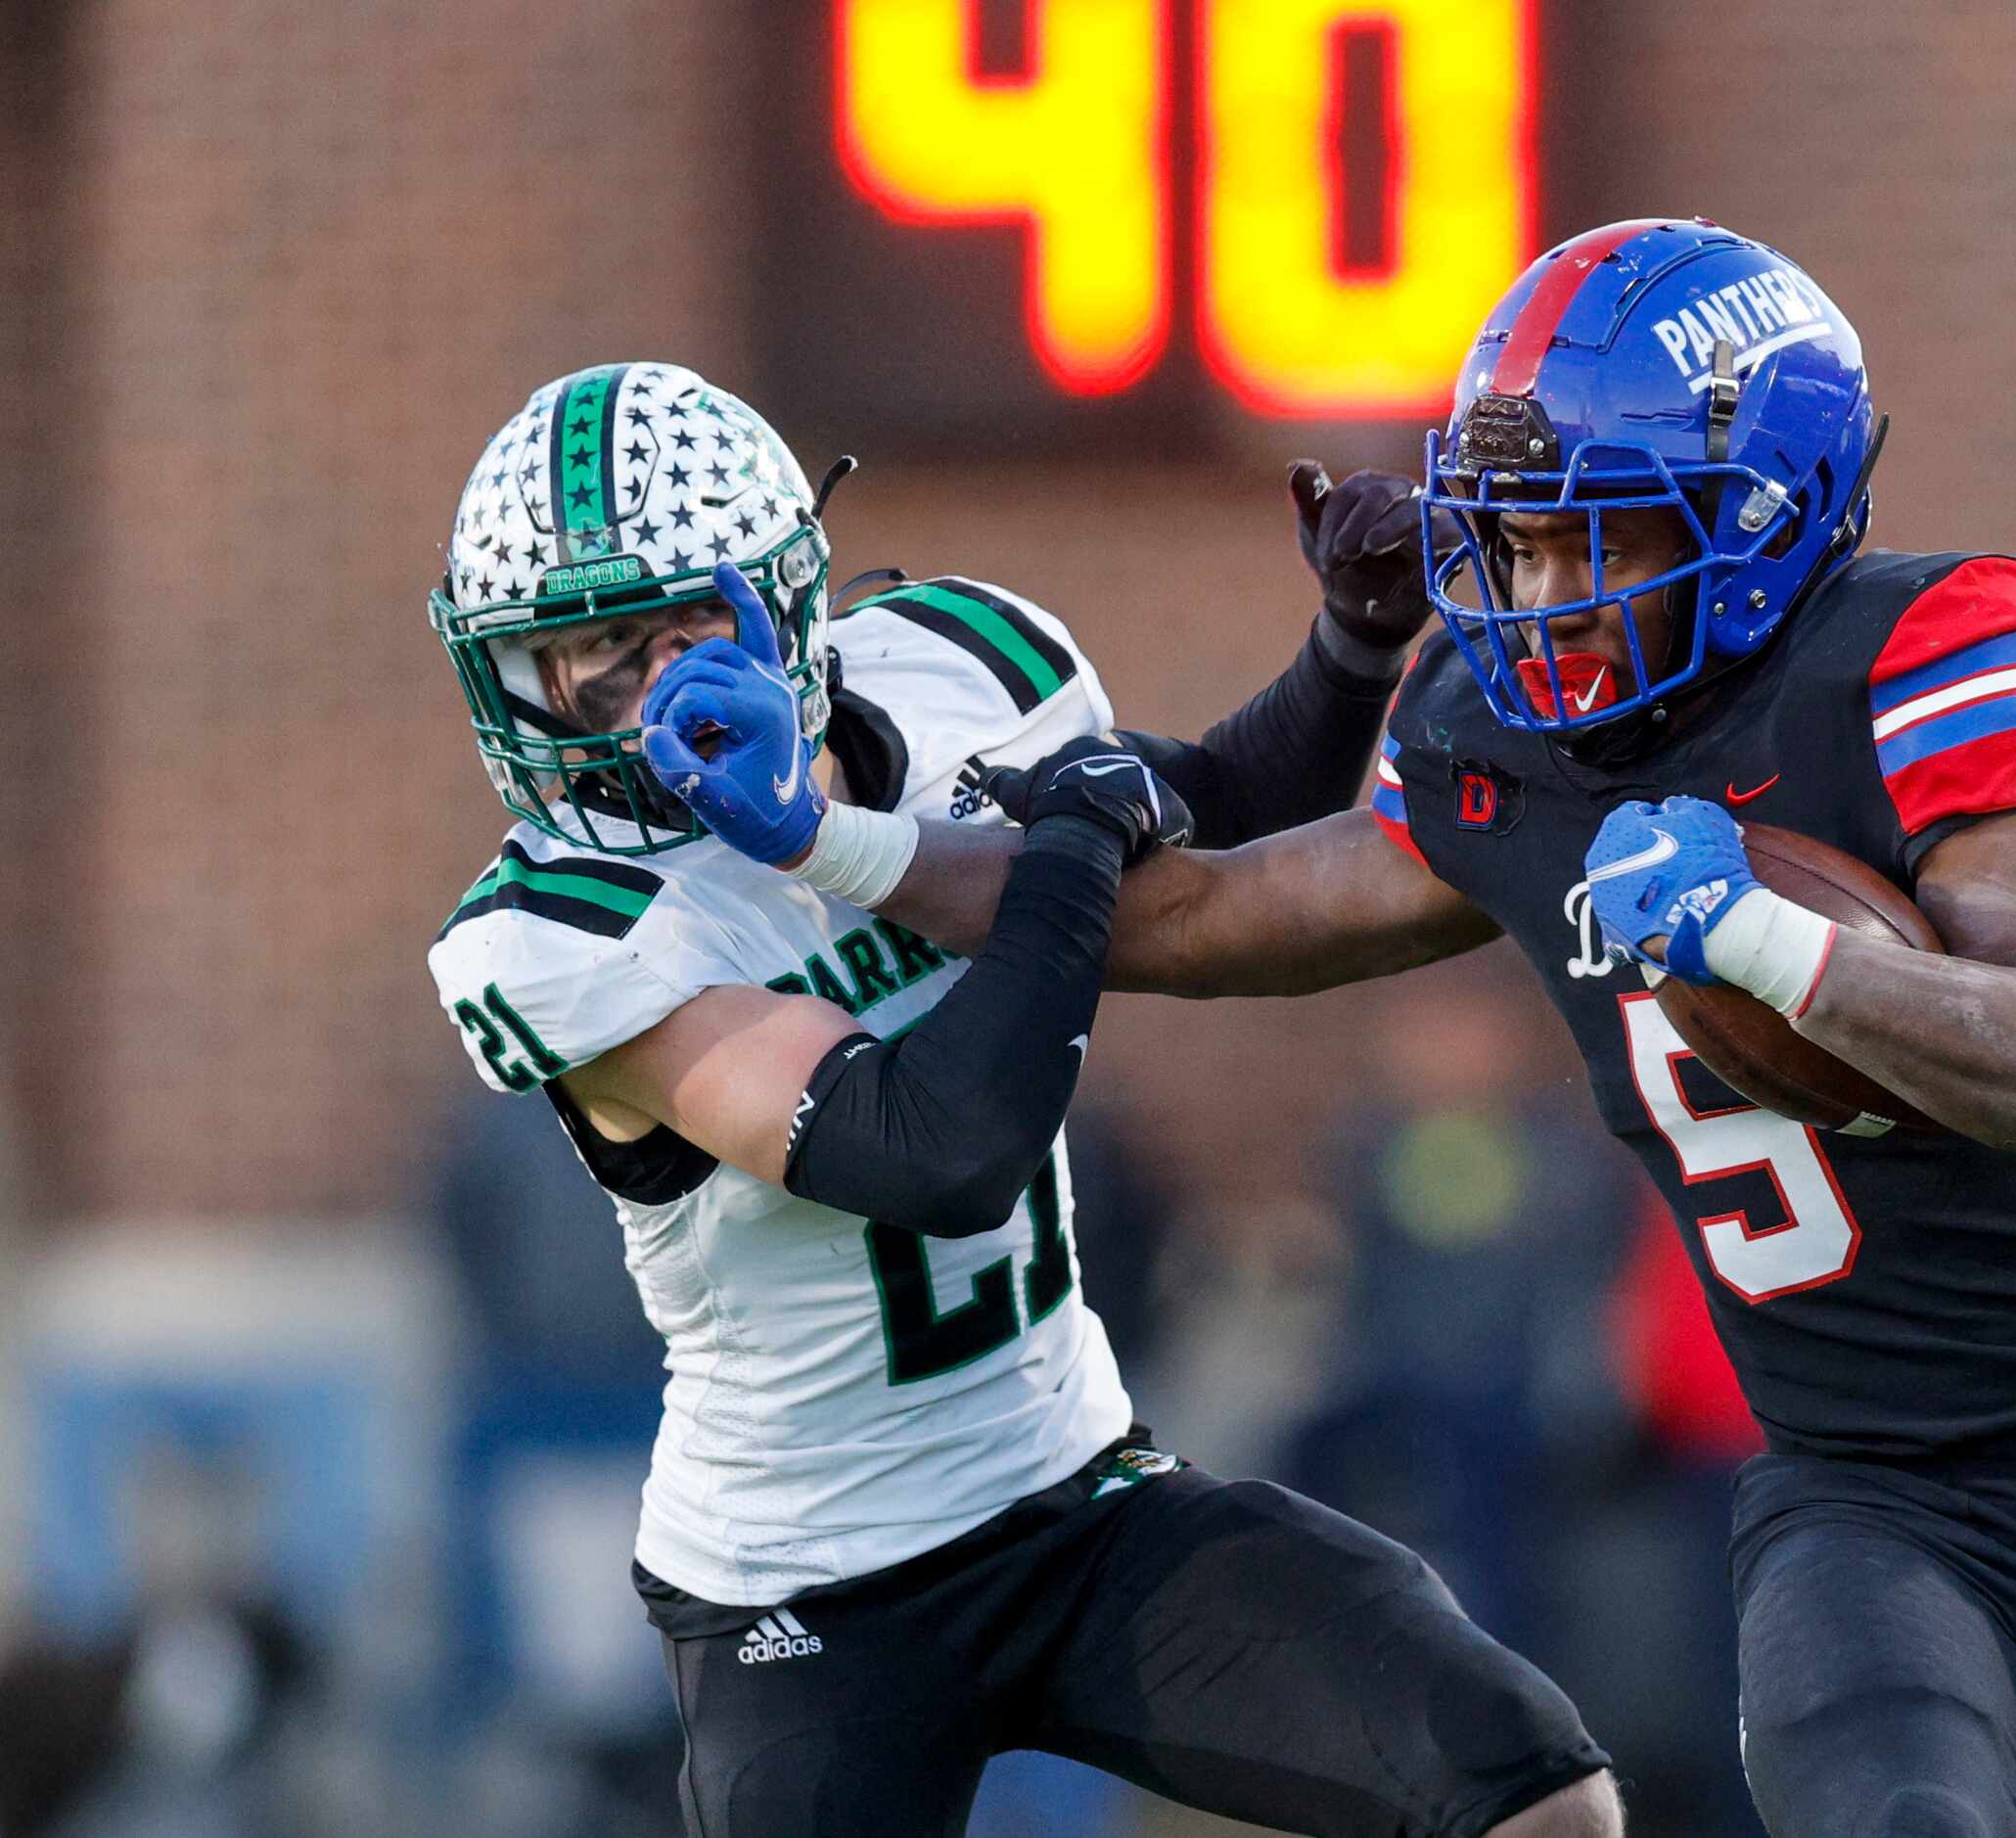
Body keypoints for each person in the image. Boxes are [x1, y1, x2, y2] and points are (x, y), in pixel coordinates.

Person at [661, 223, 2016, 1833]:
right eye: (1523, 532)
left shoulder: (1919, 657)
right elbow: (1201, 913)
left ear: (1765, 507)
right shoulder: (1512, 740)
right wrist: (832, 840)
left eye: (1599, 530)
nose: (1542, 585)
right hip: (1866, 1497)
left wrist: (1767, 940)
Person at [424, 362, 1617, 1838]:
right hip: (803, 1594)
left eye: (665, 641)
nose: (625, 707)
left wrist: (1349, 654)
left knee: (1524, 1787)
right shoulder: (561, 928)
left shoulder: (947, 670)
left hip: (1073, 1498)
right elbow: (936, 1147)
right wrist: (1068, 838)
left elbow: (1191, 836)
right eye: (576, 658)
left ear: (781, 603)